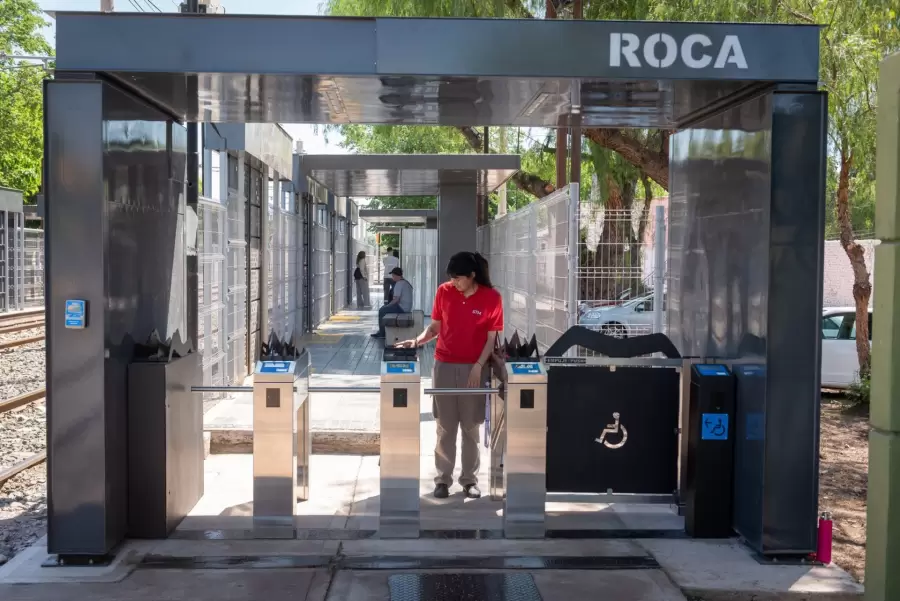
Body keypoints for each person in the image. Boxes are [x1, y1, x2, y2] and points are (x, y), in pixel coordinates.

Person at [397, 252, 502, 499]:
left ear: (472, 275)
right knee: (445, 426)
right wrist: (418, 340)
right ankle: (443, 479)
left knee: (471, 426)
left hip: (473, 369)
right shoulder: (444, 292)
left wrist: (478, 365)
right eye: (452, 278)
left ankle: (469, 480)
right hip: (444, 365)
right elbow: (435, 327)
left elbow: (491, 337)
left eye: (458, 278)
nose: (454, 282)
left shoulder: (491, 298)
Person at [372, 267, 413, 339]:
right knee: (385, 309)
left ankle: (382, 333)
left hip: (402, 308)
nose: (392, 277)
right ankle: (383, 331)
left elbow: (396, 299)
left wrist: (387, 306)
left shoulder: (399, 284)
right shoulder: (406, 282)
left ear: (396, 275)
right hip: (407, 307)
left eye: (393, 275)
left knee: (382, 310)